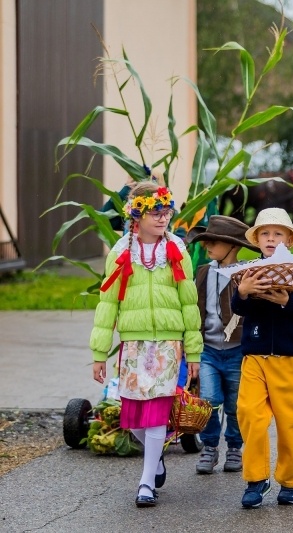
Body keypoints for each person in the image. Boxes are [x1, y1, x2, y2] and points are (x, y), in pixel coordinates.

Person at [90, 181, 202, 508]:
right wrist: (99, 352)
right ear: (136, 213)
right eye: (155, 212)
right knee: (134, 418)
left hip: (167, 344)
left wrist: (193, 351)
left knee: (155, 414)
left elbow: (189, 304)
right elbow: (107, 304)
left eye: (166, 212)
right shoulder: (121, 252)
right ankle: (157, 459)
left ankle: (145, 482)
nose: (162, 218)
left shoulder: (177, 250)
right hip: (134, 345)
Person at [233, 208, 293, 508]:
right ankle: (256, 479)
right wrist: (242, 292)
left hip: (288, 357)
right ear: (257, 239)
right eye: (265, 234)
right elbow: (238, 308)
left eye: (278, 233)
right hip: (255, 355)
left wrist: (287, 301)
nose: (271, 239)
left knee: (288, 422)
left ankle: (291, 480)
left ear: (289, 239)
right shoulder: (249, 269)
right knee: (249, 414)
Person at [188, 216, 259, 475]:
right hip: (208, 350)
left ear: (232, 246)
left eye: (213, 242)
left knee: (234, 404)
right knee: (208, 399)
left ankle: (234, 447)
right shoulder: (203, 272)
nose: (207, 245)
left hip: (237, 350)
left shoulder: (246, 274)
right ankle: (209, 447)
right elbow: (195, 309)